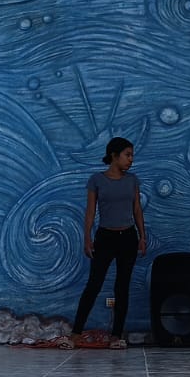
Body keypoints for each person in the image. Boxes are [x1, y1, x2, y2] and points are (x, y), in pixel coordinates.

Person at [65, 136, 147, 350]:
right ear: (114, 156)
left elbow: (137, 209)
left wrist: (142, 236)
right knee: (94, 284)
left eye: (132, 155)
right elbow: (90, 211)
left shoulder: (132, 180)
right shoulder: (97, 180)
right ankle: (76, 333)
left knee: (122, 287)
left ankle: (116, 335)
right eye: (127, 155)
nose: (131, 159)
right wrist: (87, 237)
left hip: (128, 237)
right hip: (105, 237)